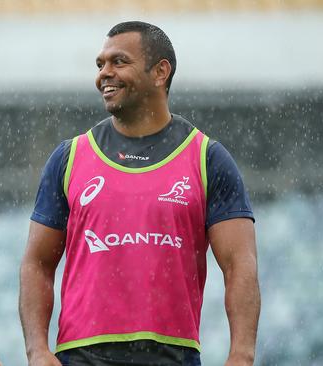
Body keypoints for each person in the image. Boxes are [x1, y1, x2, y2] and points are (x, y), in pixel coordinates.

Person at [19, 21, 260, 366]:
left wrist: (241, 354)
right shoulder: (69, 157)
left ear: (161, 72)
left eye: (119, 62)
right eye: (100, 64)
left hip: (172, 356)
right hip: (82, 356)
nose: (104, 74)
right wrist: (37, 350)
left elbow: (240, 266)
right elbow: (37, 263)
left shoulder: (208, 158)